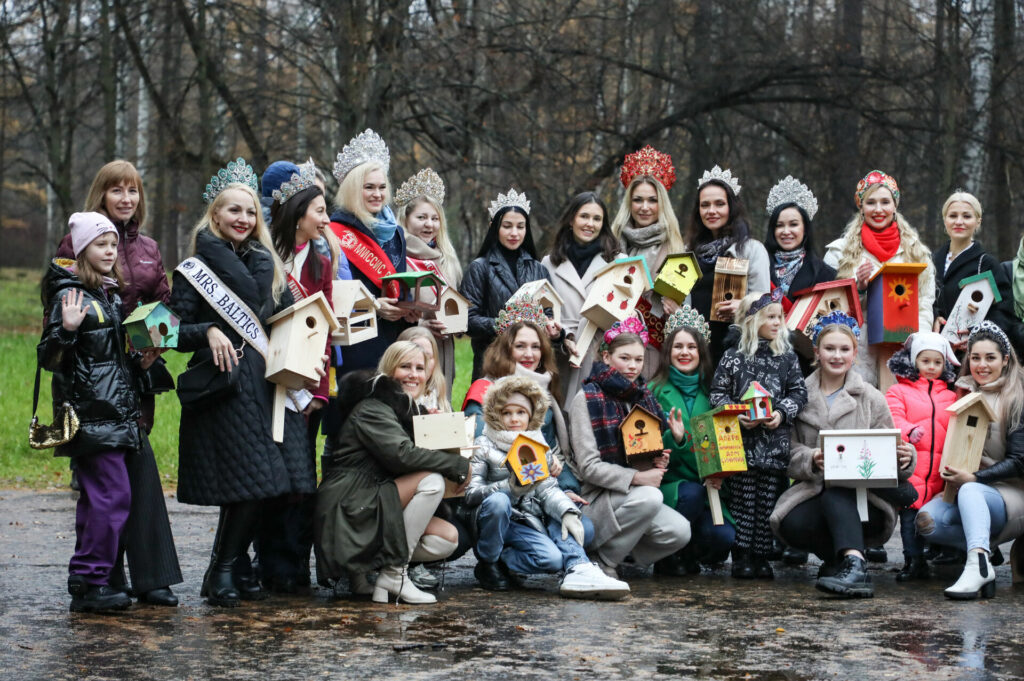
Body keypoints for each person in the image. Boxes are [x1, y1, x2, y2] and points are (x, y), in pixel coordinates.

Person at [170, 160, 317, 607]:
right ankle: (222, 569)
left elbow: (287, 319)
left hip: (272, 386)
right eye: (233, 211)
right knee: (251, 483)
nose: (243, 219)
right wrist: (207, 331)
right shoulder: (193, 269)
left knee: (277, 482)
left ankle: (232, 567)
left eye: (250, 213)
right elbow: (171, 330)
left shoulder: (267, 264)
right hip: (227, 389)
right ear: (214, 216)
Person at [55, 161, 182, 606]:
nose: (126, 198)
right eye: (116, 190)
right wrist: (69, 330)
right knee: (106, 487)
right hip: (92, 386)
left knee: (131, 479)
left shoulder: (148, 247)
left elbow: (164, 303)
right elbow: (57, 323)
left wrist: (158, 341)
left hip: (134, 373)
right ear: (101, 196)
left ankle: (143, 576)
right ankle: (98, 578)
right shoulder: (76, 247)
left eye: (133, 190)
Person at [40, 212, 152, 613]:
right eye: (100, 245)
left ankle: (86, 579)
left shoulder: (105, 294)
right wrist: (65, 329)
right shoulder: (71, 296)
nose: (109, 251)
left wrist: (141, 356)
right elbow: (50, 359)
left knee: (98, 499)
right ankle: (92, 579)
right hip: (91, 416)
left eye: (112, 245)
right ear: (83, 250)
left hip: (112, 414)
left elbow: (112, 361)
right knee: (112, 496)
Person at [771, 313, 917, 597]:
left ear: (854, 353)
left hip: (865, 500)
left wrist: (905, 457)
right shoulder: (798, 396)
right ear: (816, 352)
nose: (837, 356)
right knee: (793, 521)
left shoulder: (871, 397)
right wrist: (811, 458)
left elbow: (890, 443)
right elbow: (786, 451)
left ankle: (855, 566)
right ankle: (839, 561)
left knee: (839, 491)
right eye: (829, 348)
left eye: (844, 349)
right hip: (813, 492)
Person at [314, 341, 470, 604]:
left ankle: (365, 573)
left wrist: (431, 427)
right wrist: (457, 466)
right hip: (349, 502)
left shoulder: (402, 410)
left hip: (368, 498)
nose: (414, 374)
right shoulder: (373, 406)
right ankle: (395, 573)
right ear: (388, 369)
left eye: (420, 368)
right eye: (405, 366)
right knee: (431, 482)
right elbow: (402, 455)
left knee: (447, 538)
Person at [465, 375, 630, 599]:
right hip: (502, 518)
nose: (514, 419)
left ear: (531, 414)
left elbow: (547, 488)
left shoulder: (536, 443)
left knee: (576, 533)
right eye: (507, 412)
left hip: (531, 517)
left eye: (521, 412)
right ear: (496, 414)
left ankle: (573, 566)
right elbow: (471, 494)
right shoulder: (484, 444)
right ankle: (491, 561)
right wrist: (509, 487)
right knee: (499, 501)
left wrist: (567, 512)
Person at [259, 160, 335, 593]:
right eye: (320, 211)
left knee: (300, 482)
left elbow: (321, 330)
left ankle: (292, 567)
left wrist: (317, 392)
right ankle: (264, 563)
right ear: (296, 211)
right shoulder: (264, 256)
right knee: (268, 478)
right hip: (264, 384)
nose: (326, 220)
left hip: (304, 392)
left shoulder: (320, 263)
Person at [567, 319, 692, 580]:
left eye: (638, 359)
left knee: (680, 531)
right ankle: (603, 561)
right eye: (624, 358)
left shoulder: (643, 396)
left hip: (633, 497)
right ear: (606, 356)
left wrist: (658, 459)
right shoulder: (587, 399)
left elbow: (647, 452)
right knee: (651, 497)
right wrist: (637, 477)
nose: (633, 366)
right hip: (597, 497)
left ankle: (614, 550)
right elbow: (589, 467)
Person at [917, 322, 1024, 599]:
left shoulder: (1017, 397)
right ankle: (984, 560)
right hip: (971, 491)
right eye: (975, 357)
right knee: (929, 521)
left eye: (990, 358)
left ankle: (976, 564)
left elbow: (1020, 461)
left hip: (1012, 491)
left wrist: (974, 478)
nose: (982, 365)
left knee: (971, 491)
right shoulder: (963, 393)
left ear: (1006, 359)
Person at [326, 129, 416, 441]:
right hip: (355, 339)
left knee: (388, 419)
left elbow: (398, 282)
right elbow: (328, 291)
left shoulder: (396, 231)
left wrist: (408, 305)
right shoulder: (335, 231)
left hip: (391, 337)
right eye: (368, 188)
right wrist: (374, 305)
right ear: (353, 190)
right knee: (352, 418)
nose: (377, 194)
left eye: (381, 187)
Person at [710, 290, 807, 579]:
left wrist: (781, 413)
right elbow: (717, 393)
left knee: (767, 499)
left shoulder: (786, 357)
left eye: (781, 317)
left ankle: (761, 555)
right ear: (753, 319)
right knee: (743, 500)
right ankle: (741, 555)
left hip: (774, 444)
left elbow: (799, 392)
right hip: (741, 444)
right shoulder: (733, 357)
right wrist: (736, 415)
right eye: (772, 317)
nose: (778, 322)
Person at [824, 170, 935, 387]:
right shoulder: (839, 252)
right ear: (861, 206)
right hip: (855, 354)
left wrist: (916, 343)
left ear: (895, 206)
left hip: (901, 352)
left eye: (885, 202)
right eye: (870, 202)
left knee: (896, 414)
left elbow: (925, 303)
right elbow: (827, 309)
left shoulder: (917, 253)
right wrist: (859, 288)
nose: (878, 209)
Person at [650, 306, 735, 575]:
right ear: (668, 352)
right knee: (690, 494)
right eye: (678, 346)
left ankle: (691, 553)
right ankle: (668, 554)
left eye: (691, 347)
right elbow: (647, 445)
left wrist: (721, 473)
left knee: (723, 539)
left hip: (707, 486)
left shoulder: (714, 391)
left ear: (701, 352)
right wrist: (676, 439)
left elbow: (725, 443)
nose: (684, 352)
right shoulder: (653, 391)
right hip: (672, 485)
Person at [463, 296, 574, 491]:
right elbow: (479, 450)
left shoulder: (545, 390)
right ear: (506, 351)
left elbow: (553, 449)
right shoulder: (483, 390)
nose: (529, 354)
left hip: (548, 487)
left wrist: (568, 490)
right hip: (500, 489)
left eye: (535, 347)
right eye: (520, 346)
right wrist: (543, 463)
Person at [884, 332, 959, 581]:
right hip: (912, 469)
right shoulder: (899, 391)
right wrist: (909, 431)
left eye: (937, 363)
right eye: (925, 361)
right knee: (909, 517)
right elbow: (892, 417)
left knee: (933, 515)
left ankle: (939, 552)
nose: (931, 367)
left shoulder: (950, 397)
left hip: (938, 470)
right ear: (914, 361)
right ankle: (913, 560)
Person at [610, 146, 687, 374]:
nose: (645, 207)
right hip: (614, 348)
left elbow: (686, 313)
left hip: (655, 353)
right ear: (629, 204)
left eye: (652, 200)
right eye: (638, 200)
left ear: (661, 203)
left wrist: (677, 312)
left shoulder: (676, 250)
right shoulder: (612, 244)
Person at [461, 188, 553, 379]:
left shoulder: (539, 269)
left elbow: (549, 313)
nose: (514, 233)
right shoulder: (480, 268)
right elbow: (468, 320)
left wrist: (553, 328)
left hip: (531, 365)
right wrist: (506, 324)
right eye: (507, 226)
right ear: (494, 227)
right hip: (492, 362)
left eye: (520, 227)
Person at [684, 166, 770, 366]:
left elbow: (766, 305)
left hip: (736, 352)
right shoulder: (688, 251)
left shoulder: (751, 250)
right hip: (695, 353)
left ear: (731, 207)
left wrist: (745, 307)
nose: (711, 211)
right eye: (705, 205)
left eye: (719, 204)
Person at [543, 192, 623, 403]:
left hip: (601, 353)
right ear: (571, 220)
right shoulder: (548, 263)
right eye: (584, 216)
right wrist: (559, 335)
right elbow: (543, 310)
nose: (590, 224)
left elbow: (630, 312)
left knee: (595, 418)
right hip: (563, 352)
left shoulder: (618, 261)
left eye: (597, 219)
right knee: (561, 416)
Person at [395, 168, 463, 394]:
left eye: (434, 219)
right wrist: (420, 326)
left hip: (443, 350)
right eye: (421, 217)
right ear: (406, 218)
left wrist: (454, 325)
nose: (429, 225)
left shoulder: (448, 260)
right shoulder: (396, 258)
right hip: (410, 350)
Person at [763, 176, 836, 375]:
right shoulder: (757, 265)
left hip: (804, 368)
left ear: (805, 228)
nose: (786, 231)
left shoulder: (824, 274)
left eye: (793, 224)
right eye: (779, 225)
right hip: (760, 365)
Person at [932, 191, 1017, 353]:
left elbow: (1004, 314)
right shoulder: (931, 260)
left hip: (970, 356)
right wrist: (934, 315)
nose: (959, 221)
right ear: (944, 220)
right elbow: (921, 301)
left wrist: (978, 335)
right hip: (932, 355)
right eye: (953, 216)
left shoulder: (985, 264)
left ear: (978, 222)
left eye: (966, 216)